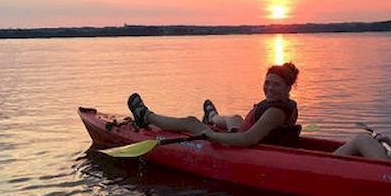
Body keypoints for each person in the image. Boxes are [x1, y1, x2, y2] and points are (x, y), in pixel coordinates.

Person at [126, 62, 301, 147]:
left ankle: (145, 116)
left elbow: (247, 139)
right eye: (267, 82)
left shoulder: (275, 112)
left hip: (240, 145)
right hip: (242, 133)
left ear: (288, 87)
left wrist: (212, 135)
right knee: (235, 118)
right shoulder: (285, 103)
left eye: (275, 84)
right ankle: (212, 117)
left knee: (190, 122)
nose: (269, 88)